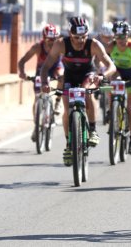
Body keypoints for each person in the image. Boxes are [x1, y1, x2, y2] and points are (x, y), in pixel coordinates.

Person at [40, 16, 116, 166]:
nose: (81, 41)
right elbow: (46, 66)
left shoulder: (93, 44)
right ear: (70, 34)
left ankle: (92, 129)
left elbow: (111, 66)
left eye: (84, 37)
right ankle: (69, 145)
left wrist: (101, 76)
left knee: (87, 93)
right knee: (67, 110)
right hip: (69, 77)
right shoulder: (61, 44)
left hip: (88, 75)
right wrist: (44, 83)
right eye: (76, 37)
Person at [105, 21, 131, 154]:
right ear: (114, 37)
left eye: (123, 37)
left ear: (128, 36)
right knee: (108, 84)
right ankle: (111, 109)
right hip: (118, 72)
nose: (121, 40)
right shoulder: (110, 47)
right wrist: (101, 69)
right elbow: (99, 58)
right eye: (118, 37)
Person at [18, 24, 64, 141]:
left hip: (55, 67)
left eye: (54, 39)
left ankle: (58, 102)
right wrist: (22, 73)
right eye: (49, 40)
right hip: (41, 70)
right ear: (44, 38)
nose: (51, 42)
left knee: (62, 77)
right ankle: (36, 125)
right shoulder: (37, 47)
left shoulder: (59, 46)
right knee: (37, 98)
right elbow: (22, 61)